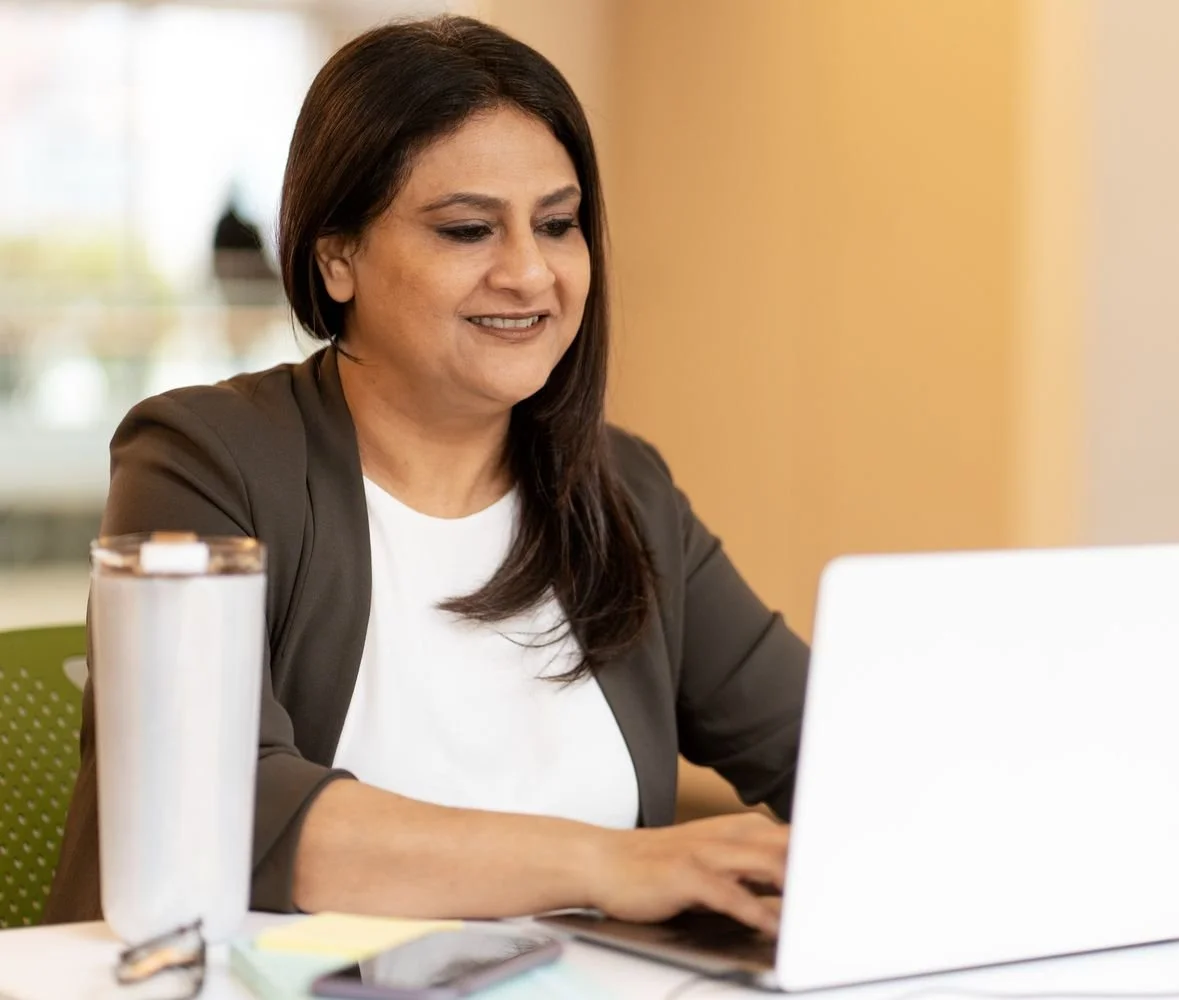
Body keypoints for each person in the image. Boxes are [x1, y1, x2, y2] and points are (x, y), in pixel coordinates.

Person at [45, 14, 806, 938]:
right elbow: (217, 805)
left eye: (558, 225)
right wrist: (614, 863)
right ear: (337, 258)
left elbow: (829, 752)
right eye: (467, 230)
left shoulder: (624, 491)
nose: (529, 272)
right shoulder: (203, 458)